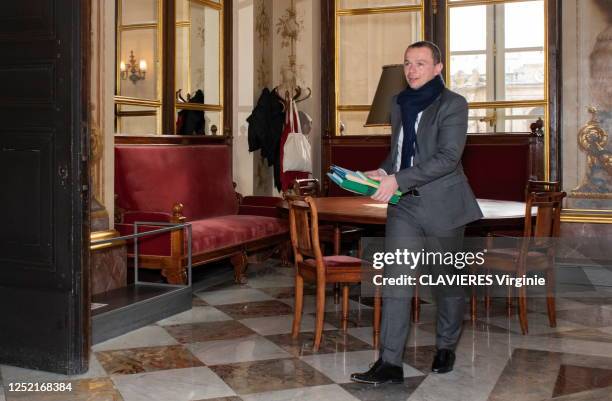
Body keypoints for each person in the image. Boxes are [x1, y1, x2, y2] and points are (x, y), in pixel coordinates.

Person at [350, 41, 482, 384]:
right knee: (396, 280)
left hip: (444, 207)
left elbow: (447, 158)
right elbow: (398, 153)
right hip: (404, 206)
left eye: (420, 63)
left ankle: (446, 346)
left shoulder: (454, 104)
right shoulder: (398, 103)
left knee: (446, 283)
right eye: (408, 63)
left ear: (438, 67)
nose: (411, 70)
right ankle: (389, 362)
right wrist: (381, 173)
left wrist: (396, 178)